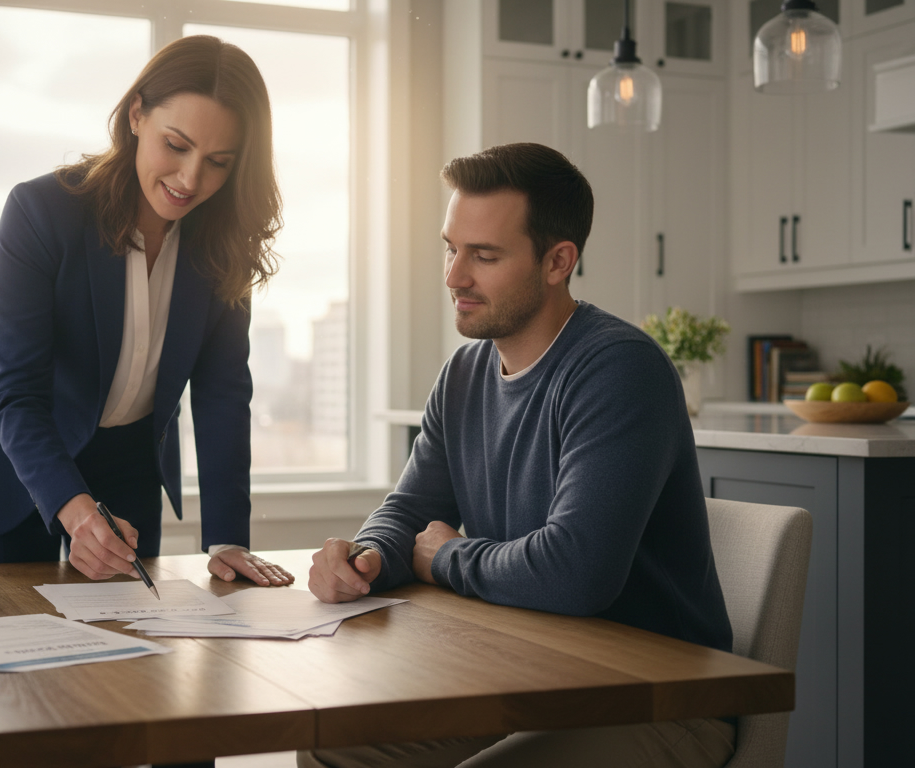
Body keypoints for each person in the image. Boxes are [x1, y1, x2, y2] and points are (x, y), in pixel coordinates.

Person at [304, 143, 735, 767]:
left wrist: (447, 557)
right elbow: (410, 512)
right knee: (334, 750)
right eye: (451, 249)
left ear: (558, 261)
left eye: (484, 256)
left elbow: (576, 572)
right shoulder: (463, 375)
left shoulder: (619, 370)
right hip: (530, 674)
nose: (454, 277)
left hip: (657, 698)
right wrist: (367, 557)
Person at [0, 35, 294, 590]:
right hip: (15, 454)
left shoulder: (224, 243)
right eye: (176, 145)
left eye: (217, 162)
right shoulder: (41, 211)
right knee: (8, 628)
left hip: (128, 460)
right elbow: (15, 392)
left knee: (130, 634)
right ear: (136, 115)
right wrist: (74, 508)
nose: (190, 179)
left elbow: (223, 393)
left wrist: (228, 539)